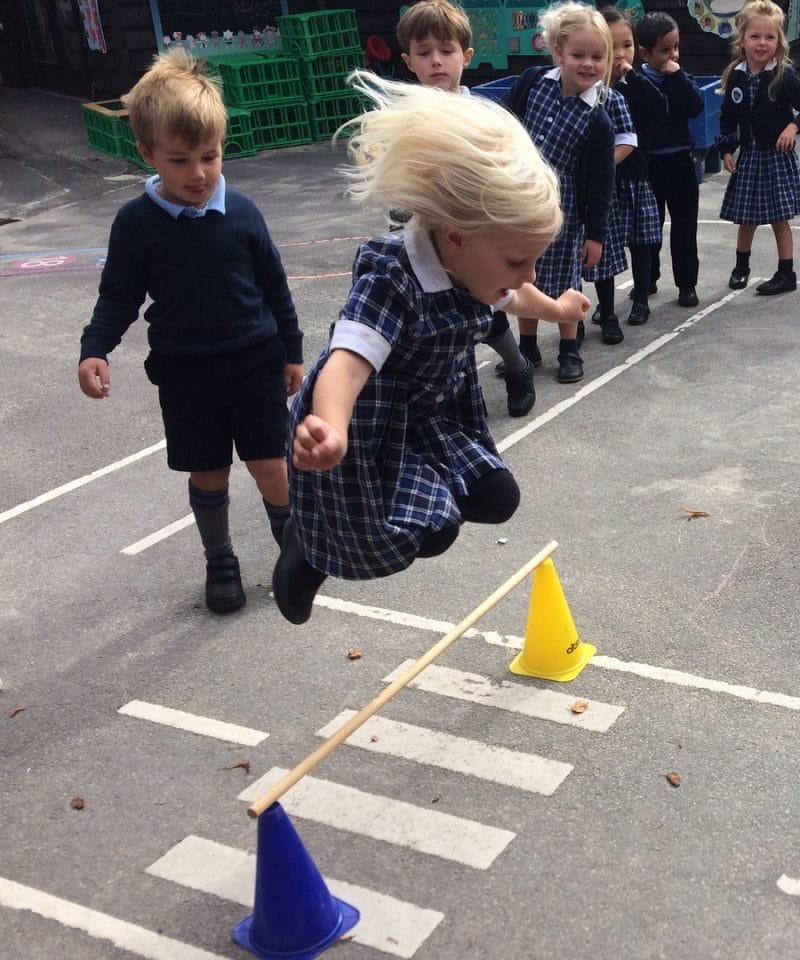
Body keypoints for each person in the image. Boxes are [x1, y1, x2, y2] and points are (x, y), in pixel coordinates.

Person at [271, 71, 588, 625]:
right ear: (456, 235)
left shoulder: (473, 263)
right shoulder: (393, 278)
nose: (528, 272)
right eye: (518, 259)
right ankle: (307, 548)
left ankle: (409, 507)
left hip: (434, 409)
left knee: (498, 499)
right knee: (422, 535)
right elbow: (346, 364)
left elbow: (517, 295)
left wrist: (559, 310)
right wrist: (331, 428)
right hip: (370, 419)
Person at [78, 49, 304, 615]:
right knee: (208, 470)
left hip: (254, 361)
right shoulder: (136, 224)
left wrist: (292, 351)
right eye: (179, 161)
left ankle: (294, 549)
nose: (198, 173)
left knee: (270, 463)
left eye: (210, 156)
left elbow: (275, 286)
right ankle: (220, 559)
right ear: (148, 154)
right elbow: (119, 295)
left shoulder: (243, 213)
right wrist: (95, 348)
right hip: (186, 372)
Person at [394, 0, 538, 418]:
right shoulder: (404, 115)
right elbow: (395, 171)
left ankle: (517, 367)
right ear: (409, 61)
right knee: (435, 315)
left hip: (474, 229)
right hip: (423, 231)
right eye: (424, 53)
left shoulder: (482, 113)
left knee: (485, 305)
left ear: (466, 55)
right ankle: (449, 393)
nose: (436, 61)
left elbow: (503, 164)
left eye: (446, 50)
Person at [503, 2, 616, 385]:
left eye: (597, 57)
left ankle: (569, 349)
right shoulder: (533, 82)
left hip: (565, 213)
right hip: (521, 202)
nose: (588, 64)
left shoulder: (598, 119)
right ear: (557, 51)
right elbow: (502, 123)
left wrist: (595, 234)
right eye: (578, 54)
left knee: (566, 279)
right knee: (523, 275)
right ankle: (528, 347)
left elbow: (601, 182)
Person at [717, 0, 800, 295]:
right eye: (755, 36)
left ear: (779, 42)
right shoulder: (736, 74)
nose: (762, 43)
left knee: (779, 217)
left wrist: (792, 127)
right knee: (746, 217)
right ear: (742, 39)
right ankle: (741, 267)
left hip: (776, 157)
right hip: (750, 156)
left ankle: (786, 272)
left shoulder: (783, 74)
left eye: (769, 37)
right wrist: (726, 149)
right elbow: (727, 116)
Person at [599, 6, 666, 326]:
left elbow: (660, 109)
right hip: (603, 183)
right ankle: (606, 308)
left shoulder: (635, 84)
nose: (621, 54)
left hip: (635, 178)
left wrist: (633, 76)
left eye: (627, 45)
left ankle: (641, 299)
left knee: (641, 244)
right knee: (605, 248)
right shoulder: (592, 88)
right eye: (612, 47)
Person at [637, 12, 704, 308]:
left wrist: (677, 76)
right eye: (664, 50)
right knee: (649, 228)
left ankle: (687, 284)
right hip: (648, 165)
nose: (673, 55)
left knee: (685, 226)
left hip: (680, 161)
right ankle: (648, 278)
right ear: (645, 54)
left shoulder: (681, 78)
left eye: (676, 47)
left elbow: (695, 106)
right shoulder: (637, 82)